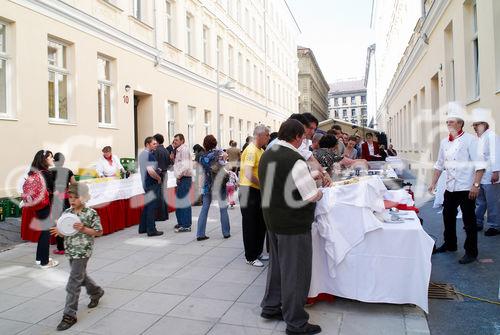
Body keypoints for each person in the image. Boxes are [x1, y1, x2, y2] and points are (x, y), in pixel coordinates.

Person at [259, 119, 323, 335]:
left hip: (272, 219)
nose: (303, 140)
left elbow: (280, 182)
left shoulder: (269, 152)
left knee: (277, 268)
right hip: (292, 223)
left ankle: (271, 306)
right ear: (297, 136)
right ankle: (296, 322)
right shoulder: (294, 159)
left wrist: (309, 176)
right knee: (295, 272)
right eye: (303, 136)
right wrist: (320, 189)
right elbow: (311, 195)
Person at [428, 110, 485, 264]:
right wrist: (433, 182)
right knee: (447, 217)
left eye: (451, 121)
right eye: (447, 122)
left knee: (469, 221)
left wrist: (476, 185)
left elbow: (480, 165)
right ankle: (450, 244)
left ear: (460, 123)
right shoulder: (444, 142)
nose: (448, 124)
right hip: (450, 187)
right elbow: (439, 164)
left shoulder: (470, 140)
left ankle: (471, 252)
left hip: (467, 187)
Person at [50, 183, 104, 331]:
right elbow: (65, 231)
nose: (72, 200)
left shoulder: (90, 213)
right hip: (71, 250)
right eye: (70, 198)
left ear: (85, 197)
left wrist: (84, 229)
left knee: (73, 282)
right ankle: (96, 291)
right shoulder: (67, 212)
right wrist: (59, 232)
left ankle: (69, 315)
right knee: (81, 276)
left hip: (83, 251)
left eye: (76, 197)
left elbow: (99, 232)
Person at [239, 125, 270, 267]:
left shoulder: (261, 150)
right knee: (250, 224)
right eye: (267, 135)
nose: (269, 138)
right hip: (248, 190)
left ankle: (257, 252)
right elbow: (248, 174)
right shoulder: (251, 150)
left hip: (256, 190)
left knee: (260, 223)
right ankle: (250, 256)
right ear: (259, 136)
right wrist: (263, 184)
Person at [24, 150, 59, 268]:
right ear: (44, 160)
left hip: (37, 205)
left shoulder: (34, 172)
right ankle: (44, 262)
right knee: (46, 232)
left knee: (44, 231)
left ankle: (40, 258)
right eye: (50, 157)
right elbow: (53, 191)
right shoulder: (46, 173)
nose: (52, 159)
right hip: (45, 204)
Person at [196, 135, 231, 241]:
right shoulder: (218, 153)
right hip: (219, 183)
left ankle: (200, 234)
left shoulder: (201, 156)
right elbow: (225, 159)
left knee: (205, 208)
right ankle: (226, 232)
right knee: (223, 208)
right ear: (215, 143)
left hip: (207, 184)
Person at [472, 109, 500, 236]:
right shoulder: (479, 139)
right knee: (480, 201)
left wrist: (496, 172)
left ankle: (495, 226)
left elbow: (496, 155)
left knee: (492, 202)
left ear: (483, 125)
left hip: (490, 175)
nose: (474, 128)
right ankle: (477, 223)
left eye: (476, 126)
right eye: (474, 126)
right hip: (480, 176)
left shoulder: (492, 136)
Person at [50, 152, 76, 255]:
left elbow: (48, 186)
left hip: (55, 199)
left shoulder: (50, 172)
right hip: (65, 199)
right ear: (63, 161)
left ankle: (61, 248)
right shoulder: (68, 171)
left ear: (54, 161)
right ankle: (69, 244)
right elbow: (74, 184)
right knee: (66, 220)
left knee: (58, 222)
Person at [138, 137, 164, 237]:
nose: (156, 145)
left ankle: (143, 227)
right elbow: (150, 171)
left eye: (156, 143)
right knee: (151, 207)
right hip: (151, 184)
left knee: (147, 205)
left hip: (146, 183)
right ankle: (151, 230)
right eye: (154, 144)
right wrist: (158, 178)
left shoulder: (143, 154)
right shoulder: (147, 155)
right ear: (147, 144)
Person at [172, 133, 193, 233]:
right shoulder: (178, 150)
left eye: (176, 140)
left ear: (182, 141)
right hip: (181, 178)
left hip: (184, 178)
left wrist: (179, 176)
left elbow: (185, 166)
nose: (174, 141)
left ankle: (186, 225)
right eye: (174, 140)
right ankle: (181, 222)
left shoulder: (184, 150)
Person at [153, 133, 170, 221]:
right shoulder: (166, 150)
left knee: (159, 195)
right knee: (164, 194)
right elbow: (169, 163)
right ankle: (165, 215)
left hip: (159, 174)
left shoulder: (156, 151)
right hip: (165, 172)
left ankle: (160, 216)